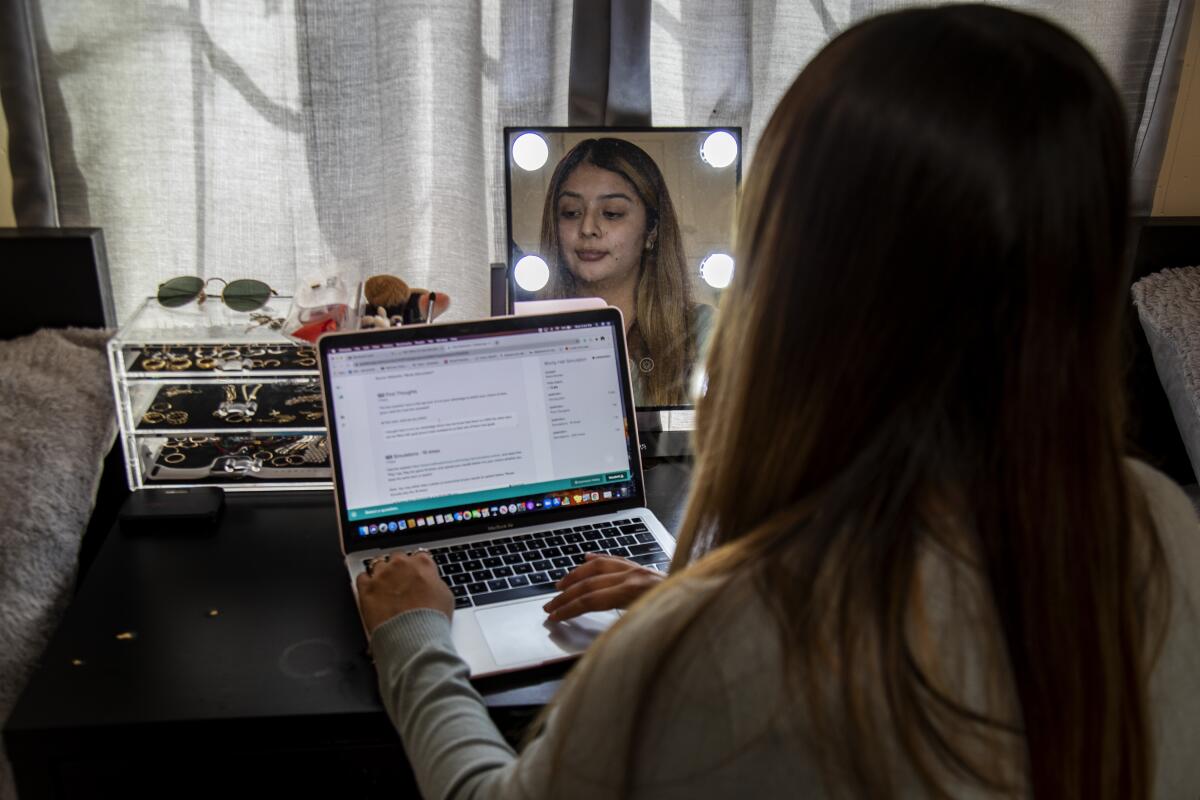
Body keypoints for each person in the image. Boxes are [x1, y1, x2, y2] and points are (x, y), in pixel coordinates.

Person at [355, 5, 1200, 798]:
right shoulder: (1164, 528)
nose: (589, 231)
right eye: (573, 212)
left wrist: (412, 639)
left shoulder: (715, 649)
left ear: (793, 277)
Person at [536, 137, 715, 406]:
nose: (587, 228)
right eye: (571, 212)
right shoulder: (526, 336)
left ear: (651, 230)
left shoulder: (703, 332)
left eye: (611, 213)